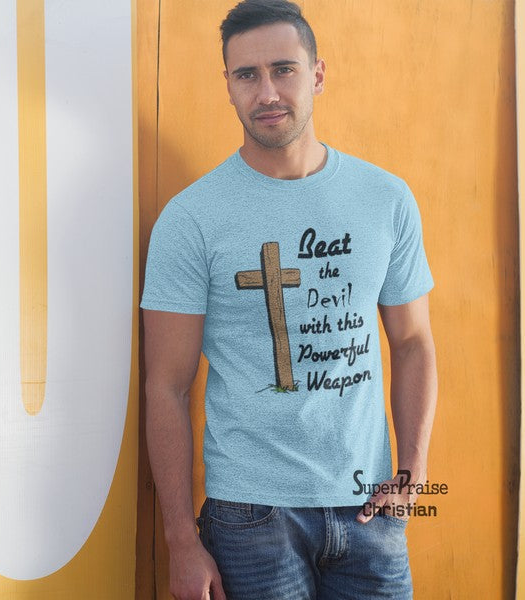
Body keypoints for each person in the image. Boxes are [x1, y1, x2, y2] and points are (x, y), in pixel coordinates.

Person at [140, 1, 437, 598]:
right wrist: (181, 542)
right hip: (250, 517)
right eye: (246, 75)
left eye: (284, 69)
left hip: (371, 508)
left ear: (317, 74)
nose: (267, 92)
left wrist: (413, 472)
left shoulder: (385, 199)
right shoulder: (191, 219)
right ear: (228, 86)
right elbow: (165, 386)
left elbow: (412, 342)